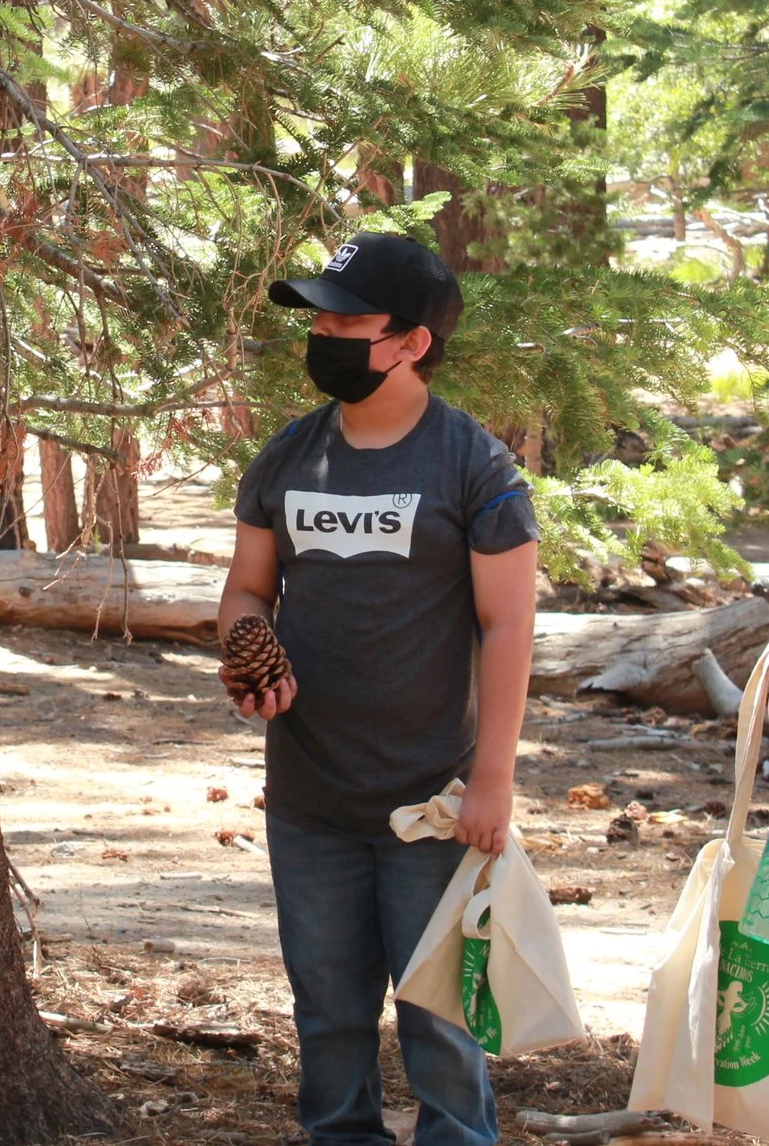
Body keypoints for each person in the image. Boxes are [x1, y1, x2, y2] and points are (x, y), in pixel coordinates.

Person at [216, 232, 539, 1146]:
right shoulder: (288, 455)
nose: (323, 332)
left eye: (347, 318)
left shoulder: (473, 465)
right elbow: (249, 586)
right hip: (309, 801)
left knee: (441, 1022)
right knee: (327, 1016)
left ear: (410, 342)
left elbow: (509, 625)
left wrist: (492, 779)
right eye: (318, 315)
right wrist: (247, 648)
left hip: (432, 806)